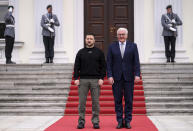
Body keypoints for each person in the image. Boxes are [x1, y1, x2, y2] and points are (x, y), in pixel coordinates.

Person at [107, 28, 140, 129]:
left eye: (123, 34)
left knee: (129, 100)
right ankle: (120, 121)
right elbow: (109, 62)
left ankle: (128, 120)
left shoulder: (133, 46)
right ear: (117, 35)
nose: (121, 36)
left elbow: (136, 61)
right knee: (118, 100)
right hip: (116, 78)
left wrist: (137, 74)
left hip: (129, 77)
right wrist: (109, 75)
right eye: (119, 34)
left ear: (126, 35)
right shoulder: (112, 46)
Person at [74, 33, 106, 129]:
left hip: (95, 80)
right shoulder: (80, 52)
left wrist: (101, 78)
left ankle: (95, 121)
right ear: (85, 40)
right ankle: (81, 122)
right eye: (87, 38)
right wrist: (76, 78)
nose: (89, 40)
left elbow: (103, 66)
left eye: (91, 39)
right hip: (83, 80)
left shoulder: (99, 52)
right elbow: (76, 66)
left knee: (95, 102)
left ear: (94, 41)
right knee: (82, 103)